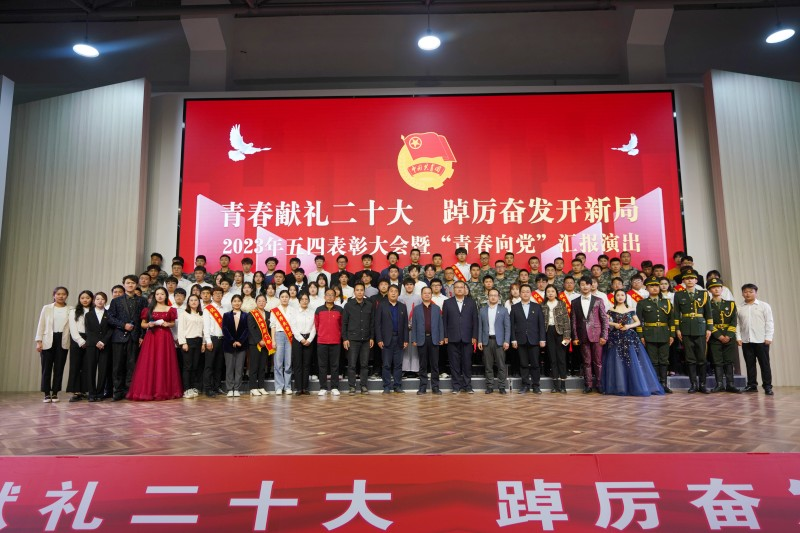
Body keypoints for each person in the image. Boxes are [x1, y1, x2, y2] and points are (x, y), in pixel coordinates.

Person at [602, 290, 665, 396]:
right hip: (616, 338)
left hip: (629, 337)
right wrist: (614, 324)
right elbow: (605, 321)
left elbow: (638, 322)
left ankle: (635, 386)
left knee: (632, 360)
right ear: (615, 297)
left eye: (622, 295)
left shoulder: (630, 309)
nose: (620, 297)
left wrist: (628, 326)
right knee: (617, 362)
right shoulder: (611, 310)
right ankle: (620, 387)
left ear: (625, 297)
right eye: (618, 295)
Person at [126, 287, 182, 401]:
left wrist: (168, 324)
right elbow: (142, 324)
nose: (160, 296)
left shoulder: (171, 309)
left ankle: (163, 390)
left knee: (164, 362)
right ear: (154, 296)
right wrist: (148, 325)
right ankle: (148, 390)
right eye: (157, 294)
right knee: (149, 362)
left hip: (165, 337)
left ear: (166, 296)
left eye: (162, 294)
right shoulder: (148, 309)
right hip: (151, 337)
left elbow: (172, 323)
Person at [107, 275, 149, 401]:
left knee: (132, 365)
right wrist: (123, 325)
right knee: (117, 366)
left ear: (136, 285)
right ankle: (117, 391)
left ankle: (129, 391)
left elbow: (144, 319)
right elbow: (110, 318)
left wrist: (142, 336)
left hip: (135, 337)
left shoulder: (142, 301)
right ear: (124, 284)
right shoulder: (116, 301)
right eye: (128, 283)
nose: (130, 285)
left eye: (133, 283)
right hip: (118, 337)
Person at [673, 268, 712, 394]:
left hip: (700, 328)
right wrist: (677, 329)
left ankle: (703, 384)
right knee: (690, 358)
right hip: (685, 328)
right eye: (687, 278)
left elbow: (708, 312)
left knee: (702, 358)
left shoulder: (703, 294)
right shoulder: (679, 294)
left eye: (692, 278)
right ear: (683, 281)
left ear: (696, 280)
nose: (690, 280)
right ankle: (693, 384)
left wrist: (709, 329)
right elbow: (676, 313)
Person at [635, 276, 675, 393]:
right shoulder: (642, 303)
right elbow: (639, 321)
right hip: (649, 334)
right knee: (652, 360)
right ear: (647, 288)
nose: (655, 288)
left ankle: (664, 384)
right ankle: (654, 384)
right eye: (651, 286)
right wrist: (641, 336)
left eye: (656, 285)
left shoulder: (667, 302)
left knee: (664, 360)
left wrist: (672, 334)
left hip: (664, 333)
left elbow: (671, 320)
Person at [572, 276, 610, 393]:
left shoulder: (599, 300)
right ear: (579, 286)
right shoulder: (575, 302)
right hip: (582, 335)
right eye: (582, 284)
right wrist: (575, 337)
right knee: (586, 362)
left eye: (587, 284)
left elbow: (604, 319)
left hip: (597, 335)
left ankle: (599, 384)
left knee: (598, 362)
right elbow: (573, 321)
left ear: (591, 285)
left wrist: (604, 336)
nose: (585, 287)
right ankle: (588, 385)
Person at [35, 286, 72, 403]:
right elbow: (41, 324)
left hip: (63, 340)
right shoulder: (47, 308)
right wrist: (39, 341)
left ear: (67, 296)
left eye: (63, 294)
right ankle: (46, 393)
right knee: (46, 368)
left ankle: (55, 393)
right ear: (54, 295)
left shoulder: (71, 309)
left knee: (59, 368)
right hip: (48, 340)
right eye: (58, 294)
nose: (61, 296)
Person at [737, 283, 775, 395]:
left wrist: (768, 337)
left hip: (761, 340)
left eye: (750, 291)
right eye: (745, 292)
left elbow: (769, 322)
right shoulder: (739, 307)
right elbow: (737, 324)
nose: (748, 294)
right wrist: (738, 337)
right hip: (746, 340)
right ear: (742, 293)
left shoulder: (764, 306)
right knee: (750, 364)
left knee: (764, 364)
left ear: (756, 293)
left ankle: (767, 386)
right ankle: (752, 385)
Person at [509, 284, 546, 394]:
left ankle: (536, 386)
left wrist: (542, 339)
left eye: (527, 291)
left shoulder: (537, 306)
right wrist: (513, 339)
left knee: (535, 364)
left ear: (531, 293)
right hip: (520, 340)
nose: (525, 294)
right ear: (520, 294)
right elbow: (512, 325)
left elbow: (541, 324)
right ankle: (525, 385)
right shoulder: (515, 307)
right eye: (523, 292)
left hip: (534, 339)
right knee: (523, 364)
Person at [706, 278, 741, 393]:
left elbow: (734, 321)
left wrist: (729, 335)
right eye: (713, 287)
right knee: (717, 361)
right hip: (715, 337)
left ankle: (730, 384)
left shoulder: (730, 304)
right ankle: (719, 384)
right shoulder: (707, 305)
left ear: (722, 289)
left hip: (729, 335)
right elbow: (708, 322)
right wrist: (719, 336)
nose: (716, 289)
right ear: (709, 290)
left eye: (718, 287)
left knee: (729, 360)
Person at [375, 285, 409, 393]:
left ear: (398, 294)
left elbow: (405, 325)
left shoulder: (402, 306)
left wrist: (406, 340)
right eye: (391, 291)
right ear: (388, 293)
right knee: (386, 364)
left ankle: (397, 386)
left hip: (399, 339)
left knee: (398, 364)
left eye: (395, 291)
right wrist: (379, 339)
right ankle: (386, 386)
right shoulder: (382, 305)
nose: (393, 293)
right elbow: (377, 324)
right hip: (386, 340)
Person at [410, 287, 444, 395]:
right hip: (421, 339)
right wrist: (414, 339)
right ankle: (422, 387)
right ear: (421, 295)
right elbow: (414, 325)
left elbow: (440, 324)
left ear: (431, 295)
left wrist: (441, 338)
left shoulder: (437, 308)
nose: (427, 295)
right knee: (423, 365)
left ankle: (435, 387)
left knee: (435, 365)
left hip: (434, 339)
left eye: (429, 293)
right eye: (425, 293)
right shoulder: (417, 309)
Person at [343, 282, 374, 394]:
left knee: (364, 364)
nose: (359, 292)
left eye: (361, 290)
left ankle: (363, 386)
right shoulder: (348, 305)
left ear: (364, 292)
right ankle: (352, 386)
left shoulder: (369, 305)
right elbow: (344, 323)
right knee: (352, 364)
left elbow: (372, 323)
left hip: (366, 339)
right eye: (357, 290)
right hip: (352, 339)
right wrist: (345, 338)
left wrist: (372, 337)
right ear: (354, 292)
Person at [478, 288, 511, 394]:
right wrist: (479, 341)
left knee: (501, 365)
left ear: (498, 297)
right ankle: (490, 386)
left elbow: (507, 327)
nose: (493, 297)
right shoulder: (482, 310)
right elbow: (480, 327)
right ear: (488, 297)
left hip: (499, 341)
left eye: (495, 295)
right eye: (491, 295)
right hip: (487, 341)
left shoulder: (503, 310)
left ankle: (502, 386)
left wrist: (506, 341)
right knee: (488, 366)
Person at [542, 285, 571, 393]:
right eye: (548, 291)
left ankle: (563, 385)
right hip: (548, 332)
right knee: (552, 359)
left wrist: (567, 336)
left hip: (560, 333)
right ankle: (555, 385)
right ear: (546, 293)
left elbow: (566, 321)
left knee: (561, 359)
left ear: (556, 293)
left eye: (552, 291)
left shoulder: (561, 304)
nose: (550, 293)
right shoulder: (542, 305)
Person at [315, 288, 344, 396]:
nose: (330, 296)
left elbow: (342, 325)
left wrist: (338, 335)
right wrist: (321, 334)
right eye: (328, 294)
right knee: (322, 365)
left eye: (332, 295)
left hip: (335, 341)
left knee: (335, 365)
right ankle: (323, 387)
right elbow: (317, 325)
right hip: (322, 341)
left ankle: (334, 387)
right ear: (324, 297)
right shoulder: (319, 310)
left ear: (335, 297)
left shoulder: (340, 310)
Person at [84, 292, 112, 402]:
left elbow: (111, 330)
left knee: (103, 370)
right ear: (94, 301)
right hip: (92, 345)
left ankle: (100, 393)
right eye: (98, 299)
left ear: (105, 301)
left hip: (105, 345)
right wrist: (97, 341)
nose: (100, 301)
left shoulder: (109, 314)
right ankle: (91, 393)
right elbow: (88, 331)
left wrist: (103, 342)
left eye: (102, 299)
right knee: (91, 369)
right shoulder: (89, 314)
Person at [67, 290, 93, 402]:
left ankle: (84, 390)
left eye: (87, 298)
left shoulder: (94, 311)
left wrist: (90, 340)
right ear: (79, 299)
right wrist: (80, 341)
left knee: (87, 366)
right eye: (82, 298)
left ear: (92, 299)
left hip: (91, 339)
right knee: (75, 365)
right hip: (77, 339)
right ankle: (76, 391)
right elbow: (72, 328)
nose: (85, 300)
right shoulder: (74, 311)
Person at [178, 294, 205, 399]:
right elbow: (181, 329)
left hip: (198, 341)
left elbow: (203, 330)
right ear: (188, 302)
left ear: (199, 302)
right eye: (191, 300)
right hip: (188, 341)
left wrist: (203, 343)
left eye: (196, 300)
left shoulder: (201, 314)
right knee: (187, 366)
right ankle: (186, 389)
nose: (194, 302)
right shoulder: (184, 314)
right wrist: (183, 343)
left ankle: (193, 387)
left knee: (195, 366)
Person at [222, 294, 249, 398]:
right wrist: (232, 341)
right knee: (229, 367)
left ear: (241, 302)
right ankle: (230, 389)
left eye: (239, 301)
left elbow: (247, 329)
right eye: (235, 301)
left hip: (241, 345)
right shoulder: (226, 315)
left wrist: (240, 341)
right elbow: (225, 329)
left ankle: (237, 388)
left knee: (239, 368)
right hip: (229, 345)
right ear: (231, 303)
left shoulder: (246, 315)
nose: (237, 303)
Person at [289, 293, 315, 395]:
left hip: (309, 339)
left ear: (308, 301)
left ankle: (305, 387)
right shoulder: (294, 312)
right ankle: (298, 388)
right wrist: (301, 339)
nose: (304, 301)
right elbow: (293, 327)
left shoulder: (312, 312)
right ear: (299, 301)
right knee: (298, 364)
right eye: (302, 299)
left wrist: (310, 339)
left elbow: (314, 327)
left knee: (307, 364)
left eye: (306, 299)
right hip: (297, 339)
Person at [202, 286, 226, 397]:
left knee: (219, 365)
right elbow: (205, 327)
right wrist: (208, 341)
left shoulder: (224, 309)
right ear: (212, 295)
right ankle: (208, 388)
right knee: (209, 365)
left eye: (220, 293)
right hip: (212, 339)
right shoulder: (208, 309)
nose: (218, 295)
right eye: (216, 293)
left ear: (222, 295)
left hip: (222, 339)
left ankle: (217, 387)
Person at [248, 294, 273, 396]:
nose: (261, 303)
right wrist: (259, 340)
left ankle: (261, 387)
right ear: (256, 302)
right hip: (255, 344)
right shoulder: (252, 314)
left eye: (263, 301)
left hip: (266, 344)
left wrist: (267, 341)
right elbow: (251, 328)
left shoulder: (269, 314)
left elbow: (271, 328)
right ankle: (253, 388)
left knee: (263, 366)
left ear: (266, 302)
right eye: (259, 301)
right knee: (254, 366)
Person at [270, 290, 294, 394]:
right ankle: (279, 387)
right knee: (278, 362)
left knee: (288, 362)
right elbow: (273, 326)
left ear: (289, 298)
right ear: (279, 298)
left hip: (290, 336)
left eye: (286, 297)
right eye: (282, 297)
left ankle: (287, 387)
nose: (284, 298)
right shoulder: (275, 310)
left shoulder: (293, 310)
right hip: (278, 335)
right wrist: (273, 340)